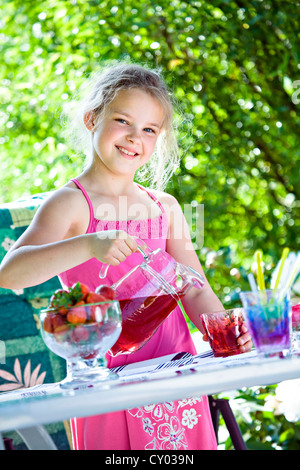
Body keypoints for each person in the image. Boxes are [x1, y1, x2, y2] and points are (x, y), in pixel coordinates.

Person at [0, 62, 252, 450]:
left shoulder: (164, 206)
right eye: (123, 120)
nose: (135, 137)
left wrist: (228, 334)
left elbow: (196, 291)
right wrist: (88, 244)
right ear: (91, 119)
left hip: (177, 375)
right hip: (106, 381)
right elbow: (11, 273)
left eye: (149, 129)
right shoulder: (70, 204)